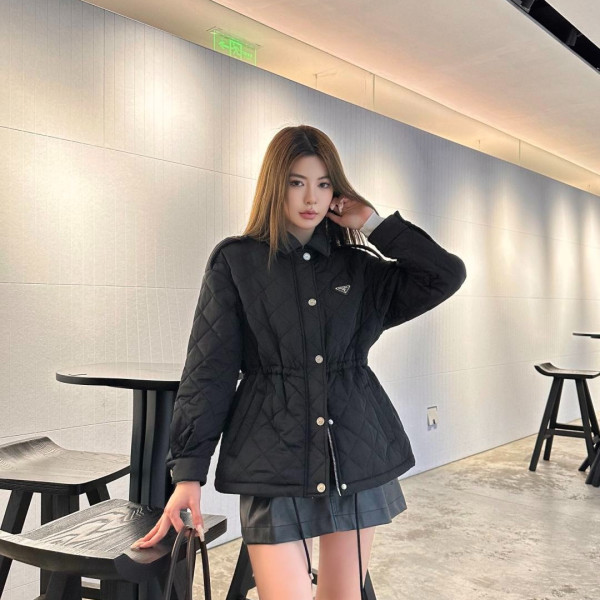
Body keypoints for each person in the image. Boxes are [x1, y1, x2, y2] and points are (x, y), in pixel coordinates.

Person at [131, 125, 467, 599]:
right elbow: (210, 370)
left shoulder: (359, 267)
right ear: (275, 185)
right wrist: (187, 472)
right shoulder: (237, 262)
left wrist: (372, 223)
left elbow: (445, 274)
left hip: (351, 454)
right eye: (296, 182)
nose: (311, 197)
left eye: (323, 184)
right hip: (272, 458)